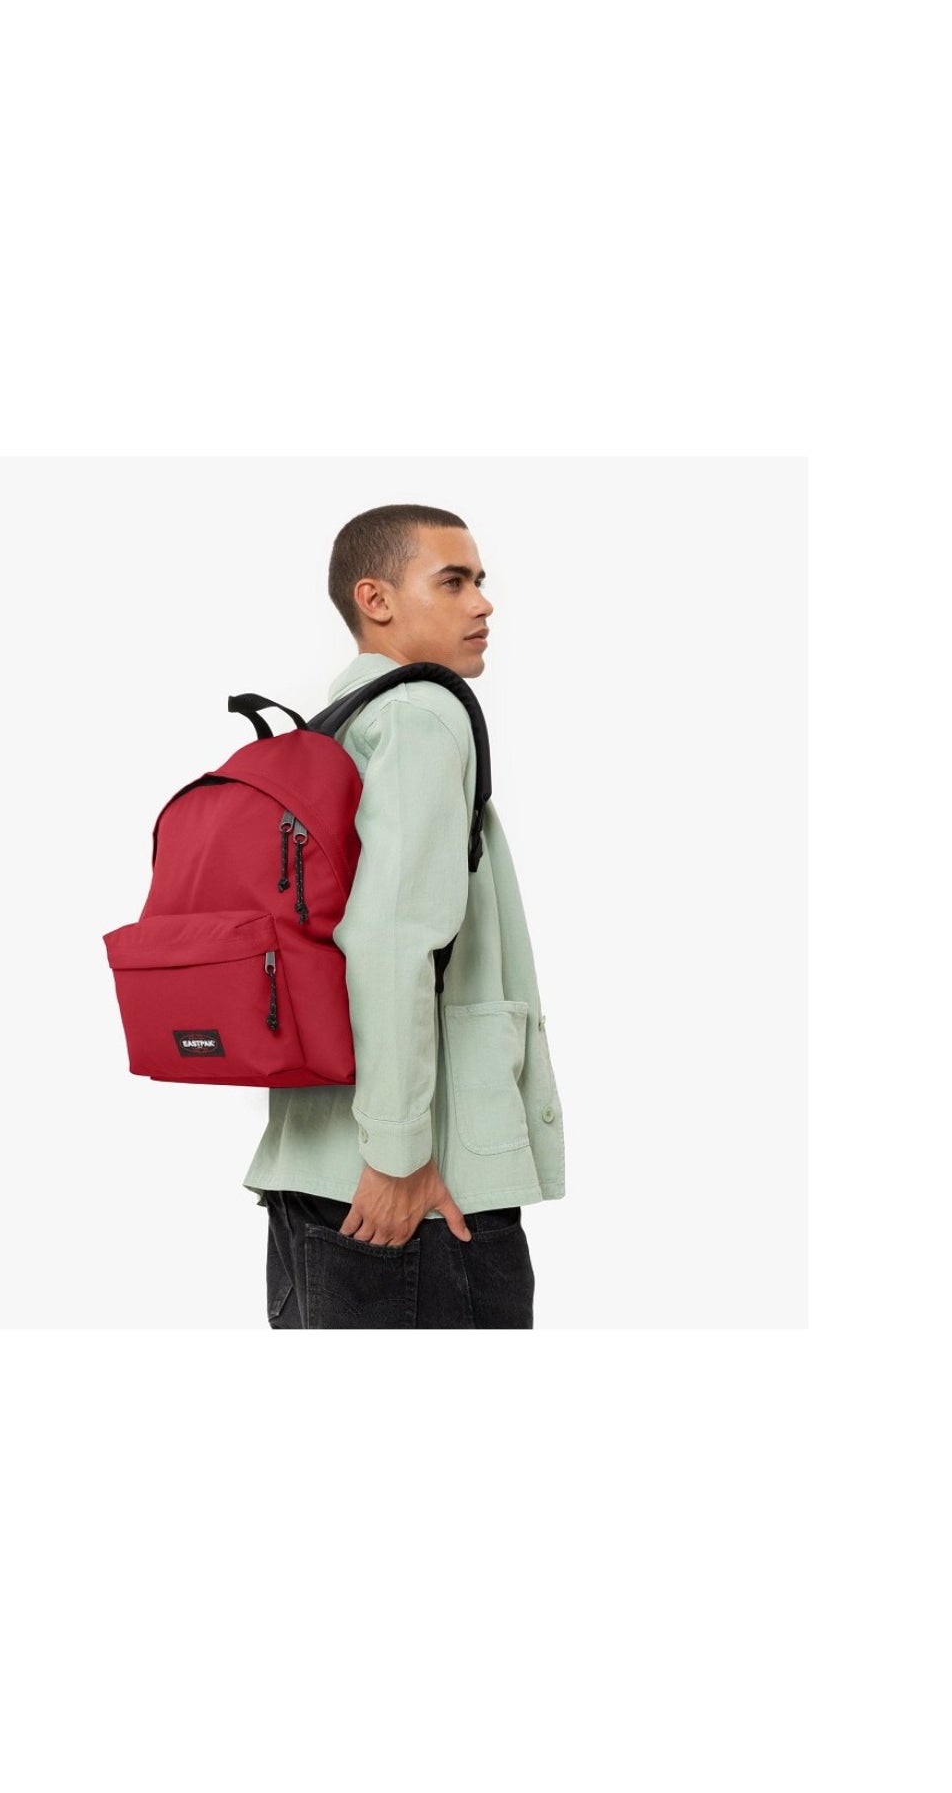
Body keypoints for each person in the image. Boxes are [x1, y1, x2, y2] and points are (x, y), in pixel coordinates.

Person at [242, 503, 565, 1327]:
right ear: (375, 599)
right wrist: (395, 1154)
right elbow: (391, 937)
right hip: (414, 1186)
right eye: (453, 582)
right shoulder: (421, 713)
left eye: (480, 581)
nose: (482, 603)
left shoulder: (337, 727)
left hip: (313, 1176)